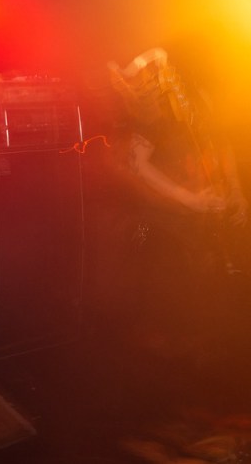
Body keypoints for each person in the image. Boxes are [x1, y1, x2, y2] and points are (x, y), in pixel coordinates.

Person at [107, 47, 249, 368]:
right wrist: (188, 198)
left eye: (165, 70)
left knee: (205, 287)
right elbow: (139, 165)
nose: (164, 77)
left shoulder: (197, 103)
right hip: (165, 223)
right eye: (155, 73)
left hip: (204, 215)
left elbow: (219, 144)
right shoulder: (152, 113)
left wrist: (236, 192)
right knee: (169, 295)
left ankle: (201, 351)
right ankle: (163, 362)